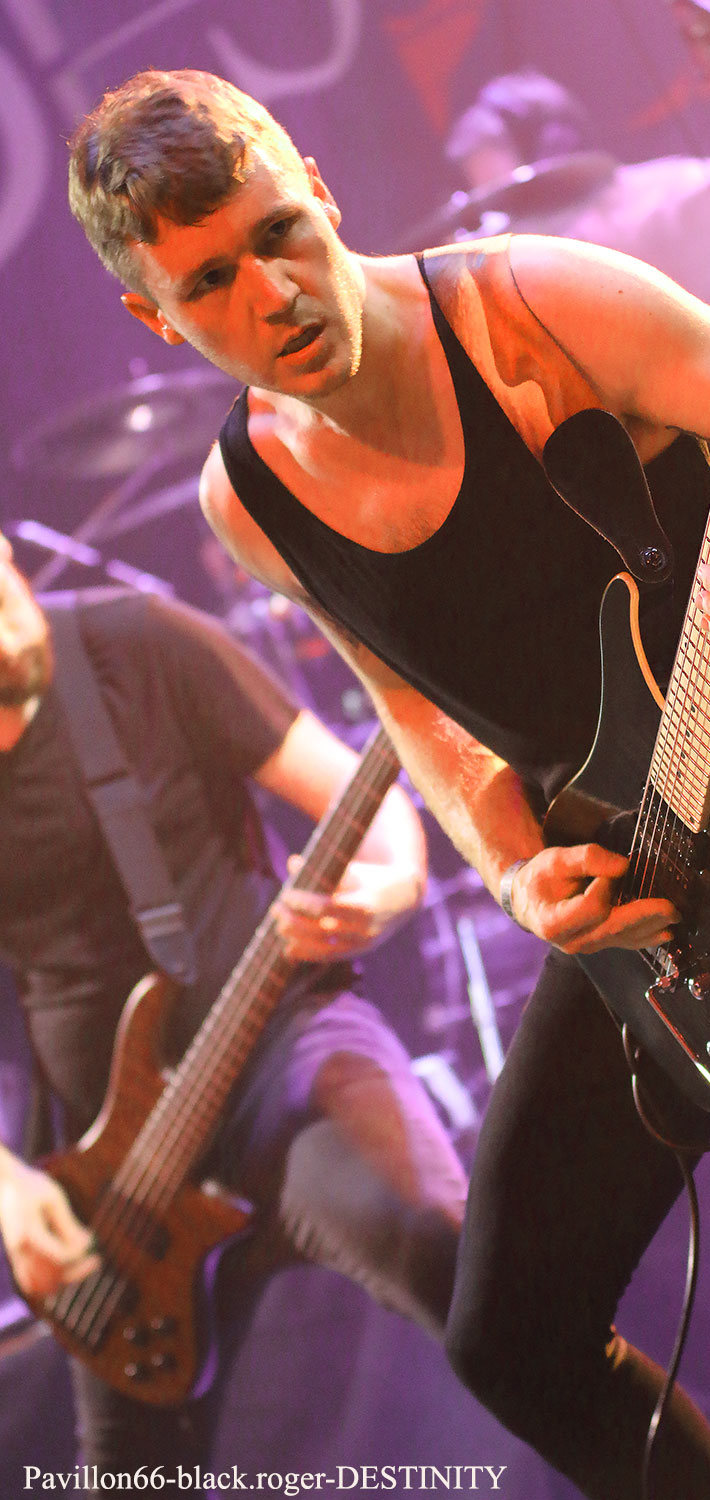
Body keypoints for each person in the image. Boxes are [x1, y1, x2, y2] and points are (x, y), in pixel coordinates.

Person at [66, 70, 710, 1500]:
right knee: (506, 1339)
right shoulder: (245, 497)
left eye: (278, 234)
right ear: (154, 316)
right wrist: (512, 870)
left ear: (319, 187)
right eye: (210, 282)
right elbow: (415, 713)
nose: (272, 291)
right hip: (646, 865)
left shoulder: (530, 305)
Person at [0, 535, 467, 1483]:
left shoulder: (138, 642)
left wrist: (394, 885)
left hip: (279, 1047)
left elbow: (354, 790)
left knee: (448, 1255)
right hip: (114, 1184)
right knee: (127, 1475)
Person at [439, 69, 710, 323]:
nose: (505, 226)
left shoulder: (706, 189)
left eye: (520, 199)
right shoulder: (544, 275)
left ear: (557, 149)